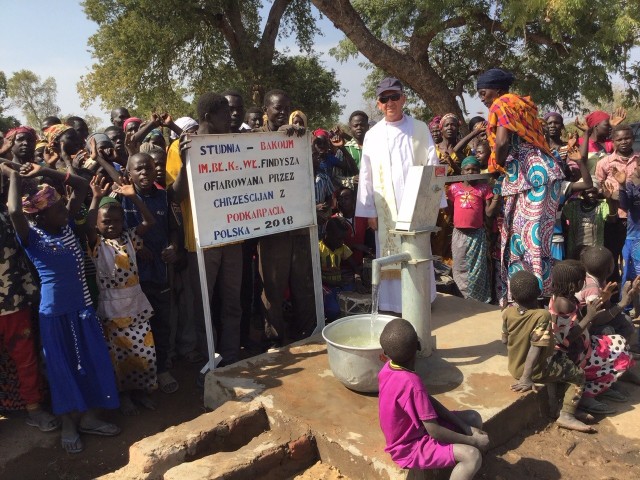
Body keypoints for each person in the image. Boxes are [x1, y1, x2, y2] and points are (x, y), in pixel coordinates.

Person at [5, 163, 119, 454]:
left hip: (83, 308)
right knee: (62, 369)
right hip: (55, 315)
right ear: (41, 216)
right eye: (57, 209)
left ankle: (90, 418)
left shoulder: (67, 226)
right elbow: (15, 211)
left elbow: (80, 186)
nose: (65, 212)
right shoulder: (32, 238)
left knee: (91, 362)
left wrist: (44, 170)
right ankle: (69, 424)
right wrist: (14, 177)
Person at [478, 68, 564, 305]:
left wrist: (495, 167)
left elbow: (503, 142)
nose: (482, 98)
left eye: (483, 92)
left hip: (531, 176)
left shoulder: (502, 103)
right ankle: (531, 294)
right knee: (531, 239)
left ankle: (531, 298)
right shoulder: (522, 105)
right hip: (536, 176)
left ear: (497, 89)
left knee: (528, 239)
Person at [169, 93, 243, 366]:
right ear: (209, 117)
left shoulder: (231, 143)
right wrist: (187, 160)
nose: (231, 118)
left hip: (233, 237)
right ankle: (209, 360)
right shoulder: (181, 146)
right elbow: (174, 197)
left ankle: (232, 357)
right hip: (199, 242)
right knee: (204, 308)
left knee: (232, 304)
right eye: (225, 114)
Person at [356, 77, 441, 312]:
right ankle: (393, 303)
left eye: (394, 97)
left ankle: (423, 298)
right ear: (379, 103)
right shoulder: (372, 135)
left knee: (419, 252)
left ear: (403, 99)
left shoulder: (420, 128)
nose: (390, 102)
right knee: (390, 253)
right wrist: (369, 211)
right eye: (385, 99)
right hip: (387, 210)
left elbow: (432, 166)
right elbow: (366, 175)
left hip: (416, 204)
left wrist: (432, 204)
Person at [378, 318, 488, 477]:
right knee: (472, 456)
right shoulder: (412, 383)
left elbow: (427, 402)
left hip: (413, 433)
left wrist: (466, 428)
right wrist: (473, 441)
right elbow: (434, 431)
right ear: (418, 346)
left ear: (386, 353)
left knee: (473, 418)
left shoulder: (387, 369)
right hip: (408, 447)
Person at [87, 178, 158, 415]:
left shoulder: (130, 237)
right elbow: (86, 227)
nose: (112, 226)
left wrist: (133, 196)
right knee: (118, 357)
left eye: (116, 221)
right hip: (111, 309)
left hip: (136, 305)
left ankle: (141, 392)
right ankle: (125, 396)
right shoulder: (96, 244)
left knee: (142, 353)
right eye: (106, 222)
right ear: (97, 224)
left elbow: (149, 221)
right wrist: (95, 199)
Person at [0, 161, 58, 431]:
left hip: (14, 300)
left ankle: (34, 408)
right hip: (13, 299)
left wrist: (12, 172)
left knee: (25, 357)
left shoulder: (12, 213)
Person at [255, 89, 316, 345]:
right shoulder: (253, 139)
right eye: (277, 108)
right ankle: (275, 340)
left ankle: (308, 333)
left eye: (286, 108)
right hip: (272, 230)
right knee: (273, 288)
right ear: (265, 110)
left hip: (300, 226)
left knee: (303, 285)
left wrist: (301, 142)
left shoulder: (298, 137)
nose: (282, 113)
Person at [504, 270, 596, 432]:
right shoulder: (542, 316)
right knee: (578, 375)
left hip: (514, 365)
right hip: (534, 370)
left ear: (513, 295)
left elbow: (505, 340)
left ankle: (557, 407)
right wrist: (526, 378)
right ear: (539, 293)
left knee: (561, 360)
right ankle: (566, 415)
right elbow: (536, 347)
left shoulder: (507, 312)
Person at [548, 260, 635, 415]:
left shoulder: (567, 298)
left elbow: (584, 320)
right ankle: (587, 394)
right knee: (619, 354)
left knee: (618, 344)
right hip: (571, 354)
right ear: (580, 283)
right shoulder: (563, 304)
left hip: (583, 347)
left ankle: (601, 386)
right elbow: (566, 338)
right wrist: (589, 316)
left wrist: (602, 301)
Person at [447, 156, 499, 303]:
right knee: (459, 266)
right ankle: (461, 297)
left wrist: (497, 197)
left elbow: (489, 212)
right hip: (459, 234)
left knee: (477, 269)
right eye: (467, 169)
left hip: (476, 235)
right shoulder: (454, 188)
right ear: (462, 171)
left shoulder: (483, 188)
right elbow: (452, 209)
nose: (471, 172)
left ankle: (476, 299)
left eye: (475, 169)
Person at [597, 125, 640, 287]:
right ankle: (615, 296)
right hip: (615, 217)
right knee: (612, 257)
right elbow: (599, 188)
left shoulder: (639, 160)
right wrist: (613, 196)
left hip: (636, 219)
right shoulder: (604, 163)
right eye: (619, 139)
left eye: (627, 138)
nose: (624, 142)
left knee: (635, 258)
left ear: (633, 139)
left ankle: (633, 295)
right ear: (613, 141)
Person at [576, 246, 635, 341]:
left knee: (626, 321)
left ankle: (622, 351)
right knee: (607, 330)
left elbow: (605, 308)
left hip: (591, 321)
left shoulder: (599, 279)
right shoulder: (592, 289)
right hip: (583, 327)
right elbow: (596, 319)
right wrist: (621, 304)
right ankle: (602, 353)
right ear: (610, 269)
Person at [319, 217, 364, 320]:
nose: (342, 242)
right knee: (333, 310)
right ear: (327, 234)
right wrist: (333, 283)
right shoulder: (318, 249)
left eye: (343, 239)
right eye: (339, 238)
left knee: (357, 296)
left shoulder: (342, 248)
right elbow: (314, 276)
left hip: (339, 285)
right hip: (325, 286)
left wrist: (358, 281)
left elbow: (354, 266)